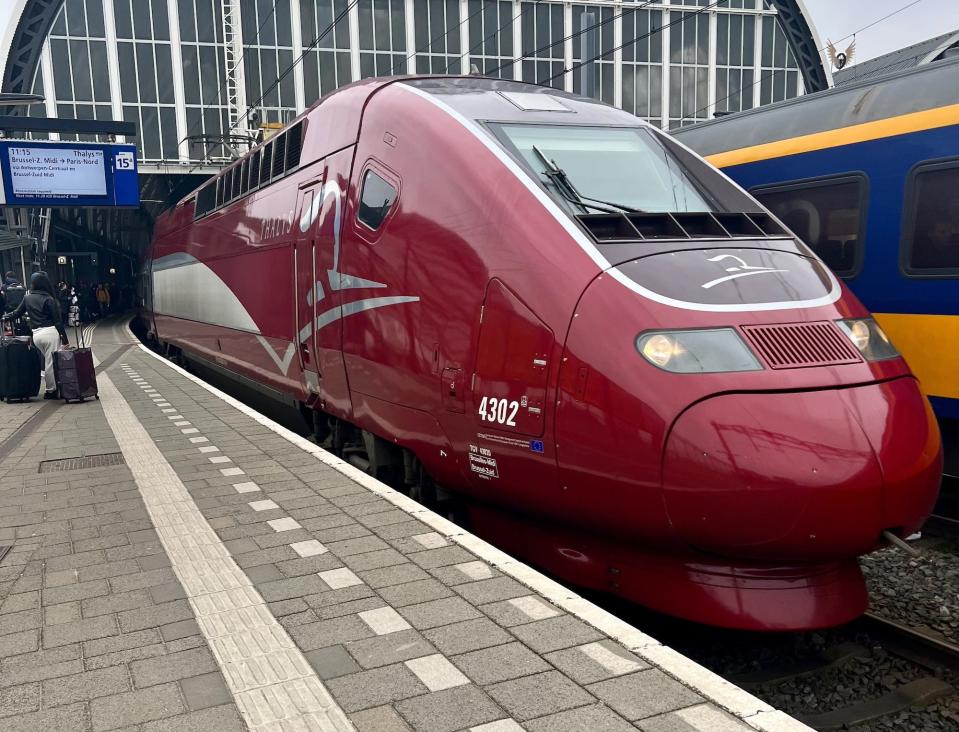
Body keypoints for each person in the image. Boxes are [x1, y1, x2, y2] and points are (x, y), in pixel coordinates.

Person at [3, 272, 69, 399]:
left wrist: (5, 317)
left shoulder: (27, 298)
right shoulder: (49, 299)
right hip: (50, 333)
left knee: (46, 361)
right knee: (50, 363)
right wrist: (65, 339)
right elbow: (58, 322)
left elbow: (16, 313)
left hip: (36, 335)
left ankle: (53, 387)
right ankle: (51, 391)